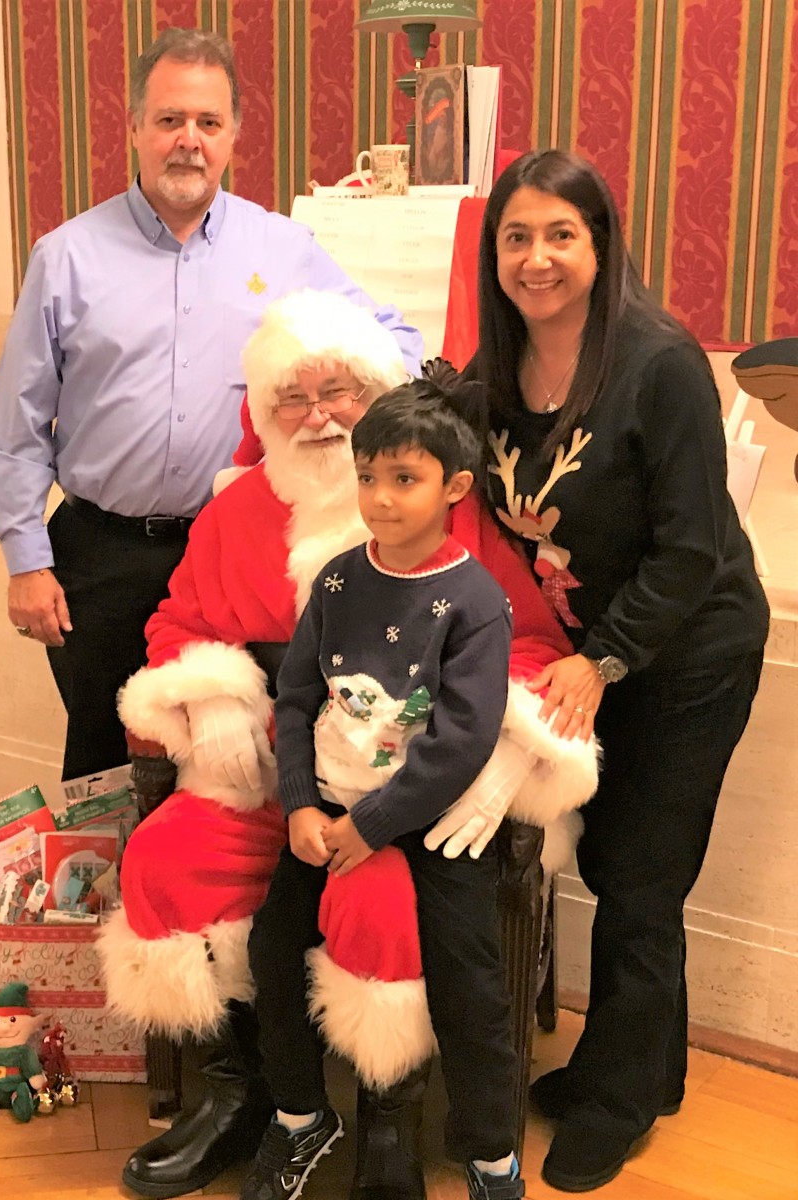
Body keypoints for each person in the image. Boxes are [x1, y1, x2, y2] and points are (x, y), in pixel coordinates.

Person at [100, 289, 598, 1200]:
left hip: (406, 796)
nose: (319, 414)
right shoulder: (236, 514)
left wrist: (497, 756)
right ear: (264, 414)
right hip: (278, 777)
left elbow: (529, 646)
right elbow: (178, 625)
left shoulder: (453, 525)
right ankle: (247, 1089)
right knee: (164, 858)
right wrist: (213, 699)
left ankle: (388, 1113)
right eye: (293, 397)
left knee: (382, 904)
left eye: (341, 391)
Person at [0, 26, 421, 782]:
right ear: (135, 129)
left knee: (237, 762)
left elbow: (391, 336)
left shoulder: (281, 249)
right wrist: (26, 560)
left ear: (233, 136)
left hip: (234, 552)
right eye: (170, 119)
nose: (189, 140)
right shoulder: (66, 258)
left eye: (208, 122)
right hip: (101, 557)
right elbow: (14, 428)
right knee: (104, 758)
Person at [462, 149, 769, 1193]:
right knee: (618, 865)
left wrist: (603, 659)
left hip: (686, 651)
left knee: (641, 876)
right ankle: (642, 1069)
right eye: (516, 236)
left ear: (600, 245)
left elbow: (691, 549)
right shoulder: (501, 360)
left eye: (561, 234)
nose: (536, 258)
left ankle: (619, 1102)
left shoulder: (659, 362)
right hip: (593, 655)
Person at [242, 380, 527, 1200]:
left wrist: (374, 824)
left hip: (427, 823)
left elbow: (463, 738)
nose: (381, 497)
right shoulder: (337, 580)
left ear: (455, 487)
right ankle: (301, 1116)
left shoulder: (476, 601)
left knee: (470, 983)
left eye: (405, 479)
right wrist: (301, 802)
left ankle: (491, 1155)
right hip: (326, 810)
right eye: (368, 476)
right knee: (272, 950)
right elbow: (296, 697)